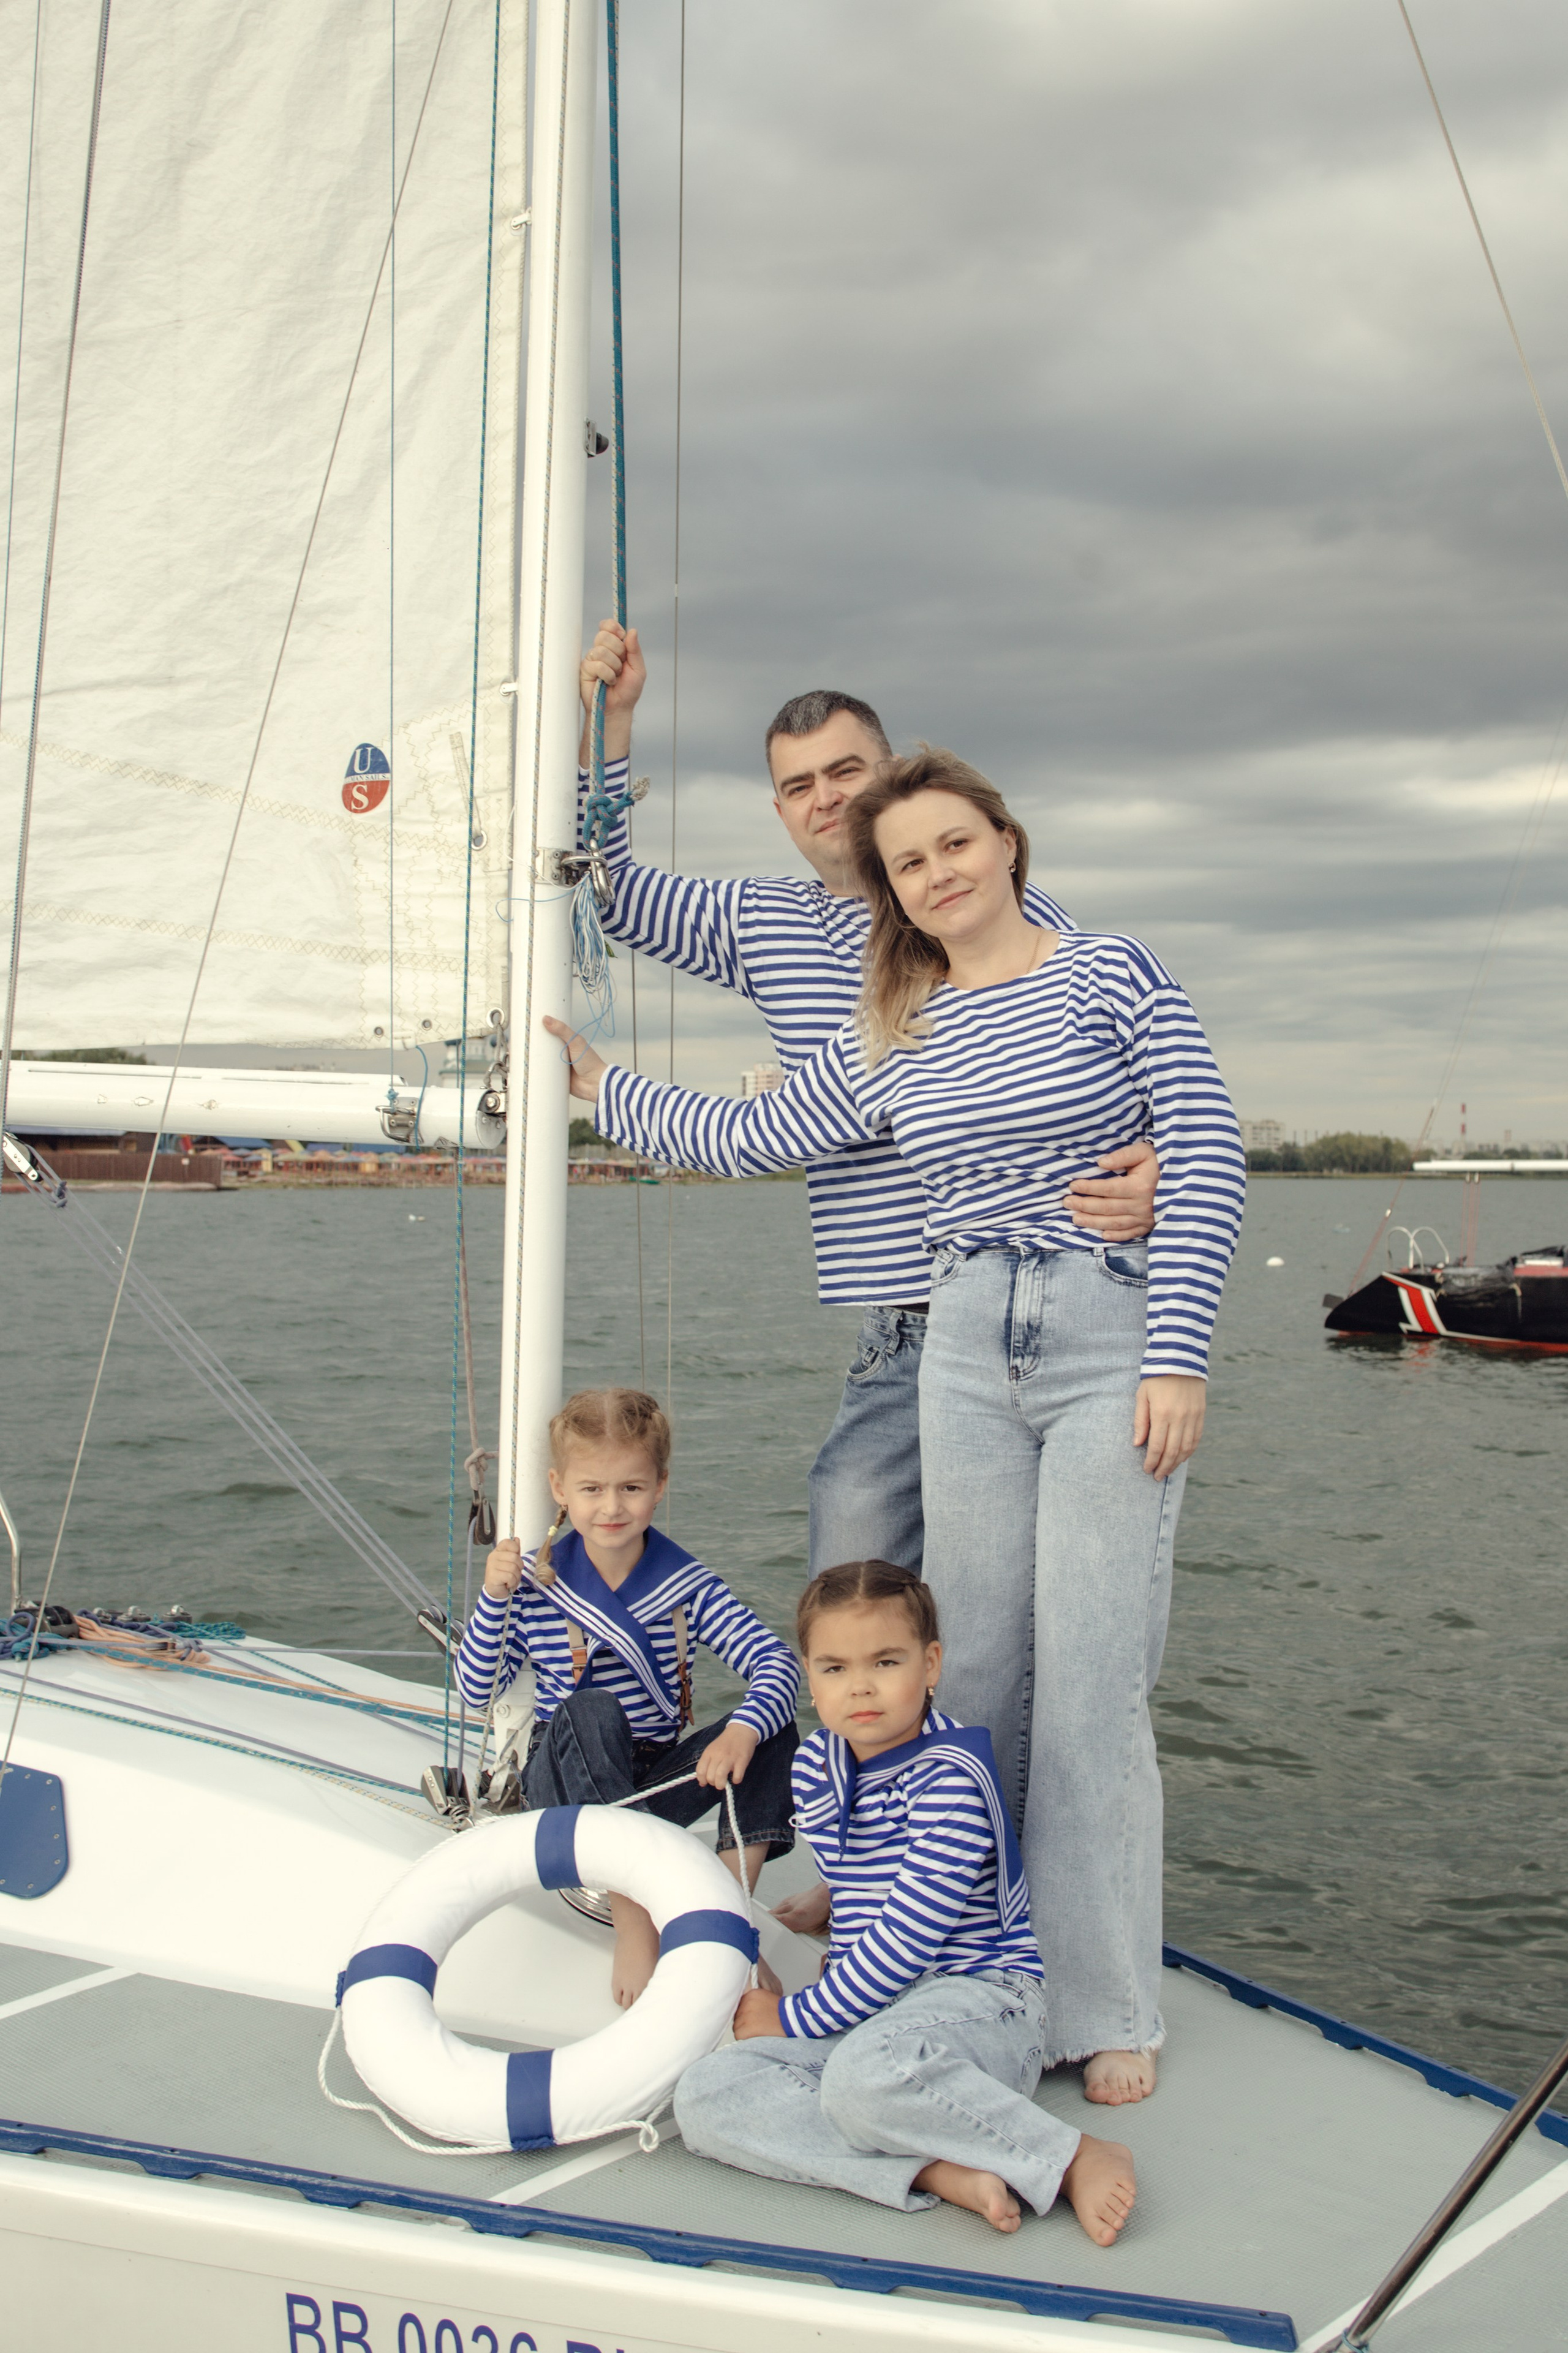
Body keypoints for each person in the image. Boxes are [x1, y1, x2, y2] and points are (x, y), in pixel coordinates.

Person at [546, 747, 1245, 2104]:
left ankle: (1104, 2008)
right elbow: (760, 1132)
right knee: (969, 1677)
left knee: (1091, 1687)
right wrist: (599, 1088)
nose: (934, 875)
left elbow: (1206, 1144)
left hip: (1106, 1335)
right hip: (965, 1340)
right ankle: (972, 1955)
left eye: (951, 845)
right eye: (907, 864)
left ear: (1005, 839)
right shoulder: (898, 1021)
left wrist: (1177, 1358)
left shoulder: (1111, 971)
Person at [574, 621, 1159, 1579]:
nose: (827, 797)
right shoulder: (760, 922)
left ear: (890, 775)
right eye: (800, 785)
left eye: (846, 770)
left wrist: (1163, 1173)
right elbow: (610, 895)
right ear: (779, 808)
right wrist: (613, 730)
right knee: (853, 1574)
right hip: (904, 1321)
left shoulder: (992, 910)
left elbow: (1117, 1069)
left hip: (1042, 1298)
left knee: (1021, 1598)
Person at [674, 1560, 1138, 2244]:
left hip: (978, 2000)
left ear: (930, 1664)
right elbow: (871, 1868)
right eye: (833, 1668)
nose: (859, 1686)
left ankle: (1067, 2156)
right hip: (876, 2016)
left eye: (885, 1662)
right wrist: (830, 1899)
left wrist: (794, 2015)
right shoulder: (815, 1768)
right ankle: (933, 2168)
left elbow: (905, 1942)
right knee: (707, 2094)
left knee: (862, 2076)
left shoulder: (951, 1779)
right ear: (809, 1675)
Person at [454, 1387, 799, 2010]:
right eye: (592, 1489)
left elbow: (776, 1662)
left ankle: (721, 1911)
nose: (611, 1507)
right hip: (569, 1782)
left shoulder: (684, 1583)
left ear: (660, 1484)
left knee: (772, 1726)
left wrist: (742, 1729)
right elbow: (478, 1691)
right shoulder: (536, 1583)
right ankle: (636, 1916)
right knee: (593, 1708)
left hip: (651, 1779)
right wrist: (493, 1600)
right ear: (559, 1488)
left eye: (631, 1488)